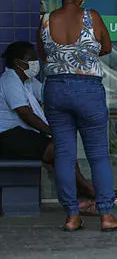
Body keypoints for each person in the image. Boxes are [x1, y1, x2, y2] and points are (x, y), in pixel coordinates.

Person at [38, 0, 117, 232]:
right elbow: (107, 47)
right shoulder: (92, 17)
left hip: (55, 90)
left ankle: (72, 216)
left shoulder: (45, 20)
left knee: (64, 155)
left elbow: (44, 55)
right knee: (98, 155)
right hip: (87, 89)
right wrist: (84, 57)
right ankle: (107, 216)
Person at [0, 41, 106, 213]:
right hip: (7, 137)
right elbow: (25, 113)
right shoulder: (10, 80)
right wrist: (52, 131)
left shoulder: (27, 82)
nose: (36, 63)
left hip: (21, 134)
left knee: (62, 152)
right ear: (18, 63)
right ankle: (89, 190)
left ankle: (79, 198)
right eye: (31, 59)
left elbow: (47, 95)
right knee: (60, 149)